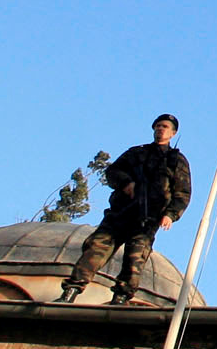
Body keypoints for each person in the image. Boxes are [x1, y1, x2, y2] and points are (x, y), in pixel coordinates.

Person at [58, 116, 193, 305]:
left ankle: (121, 297)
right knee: (95, 249)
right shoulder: (137, 153)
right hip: (121, 212)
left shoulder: (175, 161)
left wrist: (170, 215)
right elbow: (112, 172)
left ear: (173, 133)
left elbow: (182, 192)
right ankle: (71, 290)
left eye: (165, 127)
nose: (160, 129)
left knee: (135, 258)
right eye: (158, 126)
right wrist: (126, 183)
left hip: (147, 218)